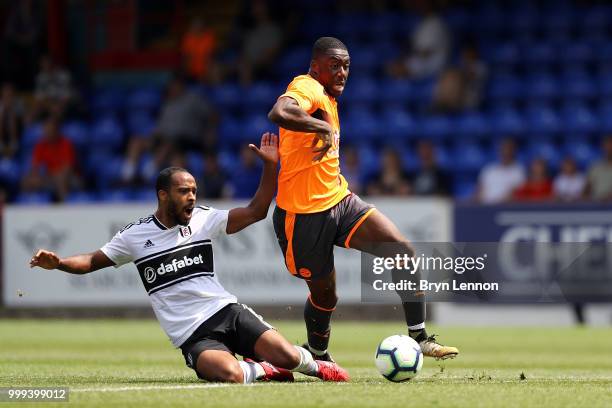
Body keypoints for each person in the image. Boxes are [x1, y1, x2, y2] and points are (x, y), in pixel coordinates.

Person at [29, 133, 349, 384]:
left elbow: (255, 211)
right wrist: (58, 263)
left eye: (194, 190)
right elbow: (91, 261)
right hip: (192, 335)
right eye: (184, 191)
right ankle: (265, 371)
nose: (192, 197)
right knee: (232, 375)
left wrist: (269, 165)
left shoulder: (203, 219)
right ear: (163, 195)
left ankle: (319, 365)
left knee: (288, 356)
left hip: (226, 311)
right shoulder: (135, 236)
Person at [268, 37, 458, 362]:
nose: (342, 72)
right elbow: (280, 111)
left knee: (401, 251)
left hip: (338, 200)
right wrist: (319, 127)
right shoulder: (307, 86)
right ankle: (318, 354)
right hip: (302, 215)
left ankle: (420, 337)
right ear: (315, 66)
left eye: (346, 66)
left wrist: (321, 129)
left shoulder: (327, 97)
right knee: (326, 296)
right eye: (334, 65)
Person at [21, 117, 81, 202]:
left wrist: (53, 175)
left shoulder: (66, 143)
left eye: (50, 130)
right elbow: (35, 167)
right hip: (49, 176)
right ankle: (29, 206)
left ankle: (65, 208)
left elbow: (68, 168)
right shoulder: (40, 145)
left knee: (61, 179)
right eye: (46, 130)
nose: (47, 132)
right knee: (27, 181)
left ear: (56, 131)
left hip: (69, 177)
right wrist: (34, 176)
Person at [476, 139, 525, 204]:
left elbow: (513, 194)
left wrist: (495, 205)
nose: (506, 152)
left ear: (514, 152)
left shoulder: (519, 171)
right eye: (503, 149)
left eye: (508, 150)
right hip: (484, 207)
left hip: (504, 208)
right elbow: (480, 191)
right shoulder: (489, 169)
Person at [584, 136, 612, 202]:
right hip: (597, 206)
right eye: (607, 146)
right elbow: (587, 188)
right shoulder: (595, 167)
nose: (609, 149)